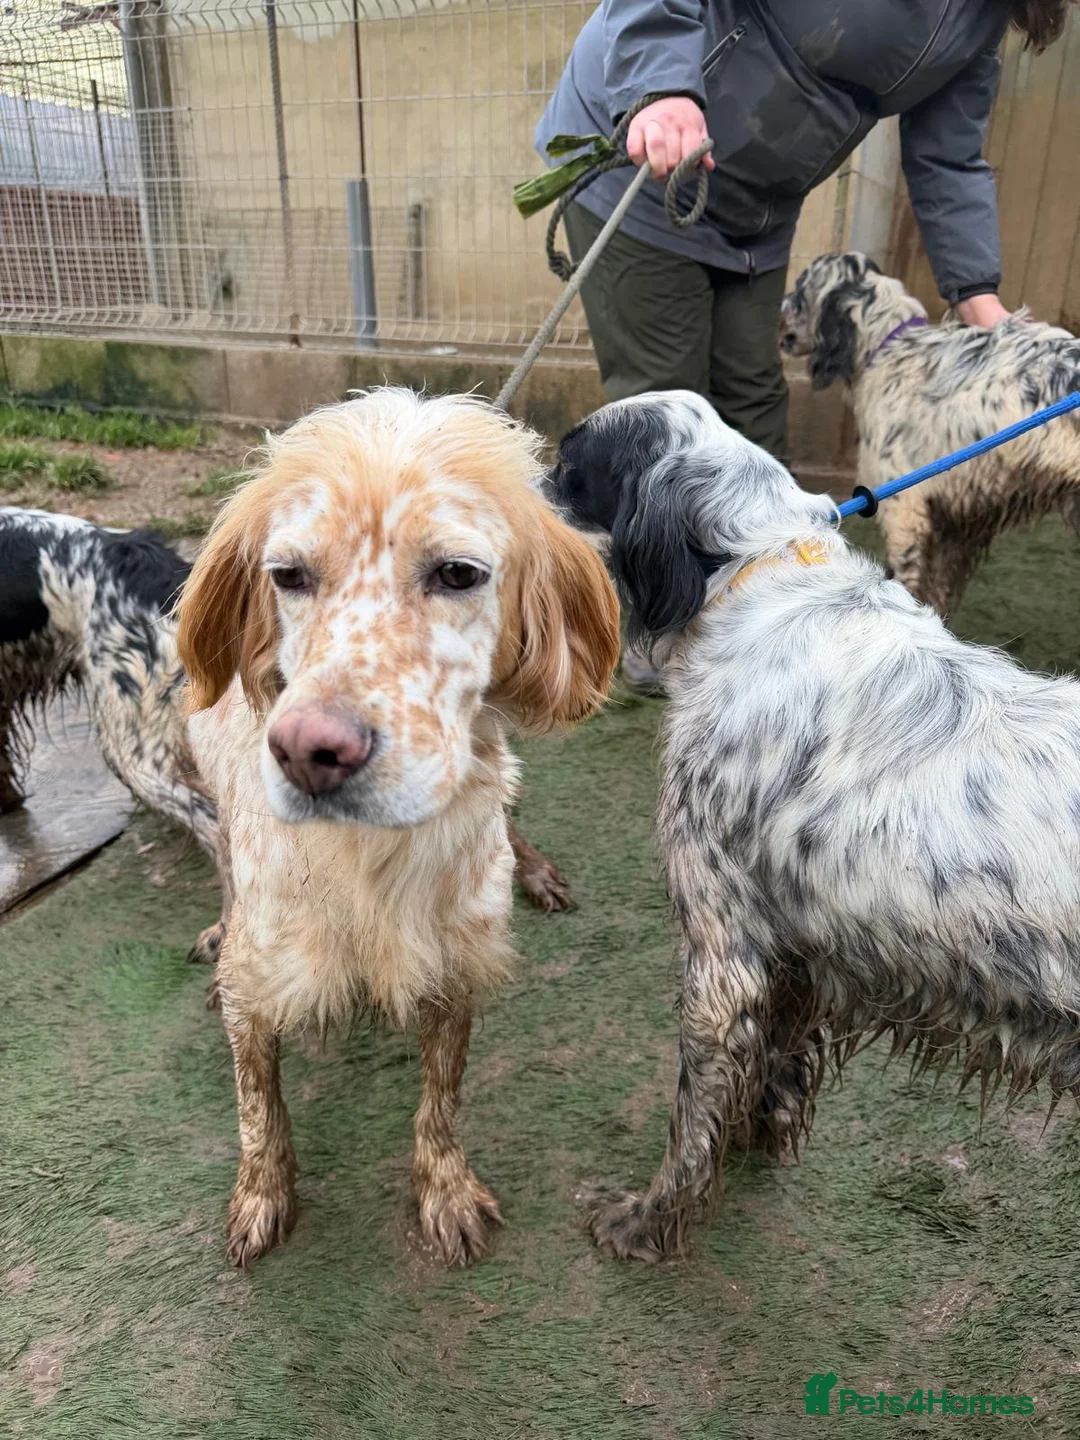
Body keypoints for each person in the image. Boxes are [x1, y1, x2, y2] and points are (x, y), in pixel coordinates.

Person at [536, 0, 1073, 691]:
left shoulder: (979, 21)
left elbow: (947, 155)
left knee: (753, 405)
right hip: (646, 157)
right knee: (663, 404)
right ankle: (647, 629)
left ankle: (768, 612)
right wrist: (659, 85)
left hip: (755, 206)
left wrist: (983, 303)